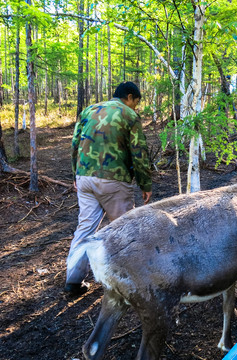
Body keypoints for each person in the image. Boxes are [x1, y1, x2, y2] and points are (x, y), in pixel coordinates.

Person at [64, 81, 152, 296]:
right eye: (136, 102)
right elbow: (139, 152)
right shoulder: (129, 115)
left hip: (85, 178)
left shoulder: (89, 110)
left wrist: (76, 174)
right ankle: (126, 280)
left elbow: (75, 143)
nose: (136, 107)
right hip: (114, 180)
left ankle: (73, 280)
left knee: (85, 229)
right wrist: (145, 184)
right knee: (124, 230)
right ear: (129, 97)